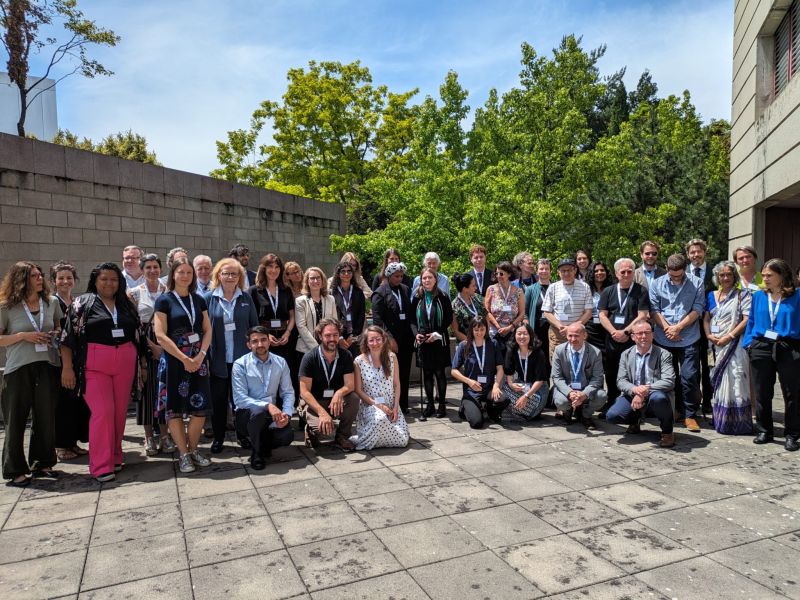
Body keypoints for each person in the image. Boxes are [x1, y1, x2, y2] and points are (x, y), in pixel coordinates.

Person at [61, 262, 141, 483]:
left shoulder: (126, 304)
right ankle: (100, 465)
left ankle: (115, 455)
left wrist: (143, 361)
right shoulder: (82, 303)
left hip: (125, 362)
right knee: (103, 412)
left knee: (119, 413)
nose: (109, 283)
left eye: (114, 279)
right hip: (94, 366)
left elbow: (138, 333)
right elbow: (67, 337)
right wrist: (67, 368)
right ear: (95, 281)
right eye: (104, 279)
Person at [0, 262, 62, 486]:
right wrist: (23, 336)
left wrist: (55, 333)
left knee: (45, 417)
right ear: (21, 279)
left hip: (47, 364)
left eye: (40, 275)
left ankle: (42, 463)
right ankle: (15, 470)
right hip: (19, 369)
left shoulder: (51, 302)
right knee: (15, 419)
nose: (39, 279)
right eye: (33, 276)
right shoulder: (6, 307)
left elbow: (58, 327)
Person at [153, 257, 213, 473]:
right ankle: (183, 454)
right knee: (175, 410)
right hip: (175, 362)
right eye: (181, 272)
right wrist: (184, 359)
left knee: (200, 409)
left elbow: (207, 330)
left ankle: (194, 449)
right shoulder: (164, 300)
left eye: (189, 272)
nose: (185, 276)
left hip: (199, 361)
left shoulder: (199, 299)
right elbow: (160, 335)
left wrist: (201, 355)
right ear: (173, 275)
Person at [743, 258, 800, 451]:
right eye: (764, 275)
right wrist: (748, 344)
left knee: (792, 393)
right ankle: (764, 430)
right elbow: (751, 321)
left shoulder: (797, 296)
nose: (765, 279)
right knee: (762, 392)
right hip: (761, 346)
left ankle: (792, 435)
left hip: (788, 347)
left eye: (769, 275)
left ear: (782, 276)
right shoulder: (759, 296)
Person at [205, 257, 258, 454]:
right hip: (217, 360)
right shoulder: (208, 298)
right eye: (225, 273)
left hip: (241, 360)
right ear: (218, 275)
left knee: (241, 402)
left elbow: (254, 327)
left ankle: (242, 435)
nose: (229, 277)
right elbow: (203, 330)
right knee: (218, 402)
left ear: (239, 277)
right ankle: (218, 438)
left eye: (233, 274)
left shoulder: (246, 298)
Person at [649, 254, 705, 433]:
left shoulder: (697, 283)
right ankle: (672, 411)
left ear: (685, 269)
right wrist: (668, 328)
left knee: (689, 377)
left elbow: (698, 308)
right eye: (672, 275)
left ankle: (690, 414)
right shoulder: (657, 283)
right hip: (663, 337)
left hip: (688, 337)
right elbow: (654, 309)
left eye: (680, 275)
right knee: (667, 378)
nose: (676, 278)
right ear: (666, 268)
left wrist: (678, 328)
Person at [231, 326, 295, 469]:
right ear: (249, 345)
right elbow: (240, 398)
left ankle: (262, 444)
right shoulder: (240, 364)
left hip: (271, 414)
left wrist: (287, 414)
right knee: (258, 413)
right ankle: (257, 453)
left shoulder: (280, 362)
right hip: (247, 415)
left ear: (269, 341)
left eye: (263, 340)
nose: (260, 344)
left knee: (287, 436)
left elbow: (288, 392)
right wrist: (267, 405)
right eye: (255, 341)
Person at [128, 254, 173, 456]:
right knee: (146, 392)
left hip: (167, 343)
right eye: (148, 267)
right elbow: (133, 326)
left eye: (156, 267)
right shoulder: (134, 293)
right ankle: (148, 437)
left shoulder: (168, 290)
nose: (152, 271)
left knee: (164, 390)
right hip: (144, 345)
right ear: (142, 270)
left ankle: (164, 434)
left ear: (160, 269)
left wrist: (164, 346)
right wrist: (151, 347)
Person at [606, 321, 676, 448]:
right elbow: (621, 381)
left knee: (659, 398)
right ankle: (635, 420)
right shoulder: (626, 354)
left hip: (655, 393)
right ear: (633, 337)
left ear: (652, 335)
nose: (644, 336)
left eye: (647, 333)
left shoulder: (664, 354)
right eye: (639, 333)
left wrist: (645, 390)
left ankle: (667, 432)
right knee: (612, 416)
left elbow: (669, 381)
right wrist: (635, 390)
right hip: (633, 394)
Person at [704, 261, 752, 435]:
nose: (725, 278)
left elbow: (746, 320)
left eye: (729, 275)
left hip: (734, 345)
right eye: (722, 275)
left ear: (734, 276)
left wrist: (729, 336)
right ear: (717, 277)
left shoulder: (743, 295)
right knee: (718, 381)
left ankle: (739, 423)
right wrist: (709, 335)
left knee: (736, 380)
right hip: (715, 345)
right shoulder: (711, 295)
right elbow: (706, 318)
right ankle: (721, 420)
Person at [598, 258, 650, 414]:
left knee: (633, 372)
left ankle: (635, 405)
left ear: (634, 272)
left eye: (629, 271)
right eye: (623, 272)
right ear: (616, 273)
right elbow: (602, 314)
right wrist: (614, 332)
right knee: (611, 371)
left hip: (632, 339)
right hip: (612, 339)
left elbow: (642, 315)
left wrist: (626, 332)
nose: (626, 274)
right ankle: (612, 401)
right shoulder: (608, 291)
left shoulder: (641, 291)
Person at [298, 318, 360, 450]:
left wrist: (339, 393)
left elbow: (350, 384)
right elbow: (304, 392)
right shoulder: (309, 357)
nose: (332, 339)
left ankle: (342, 436)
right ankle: (311, 431)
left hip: (335, 402)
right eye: (327, 335)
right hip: (315, 402)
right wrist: (322, 413)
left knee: (354, 398)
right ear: (320, 336)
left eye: (335, 335)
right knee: (325, 430)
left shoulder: (346, 355)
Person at [50, 262, 89, 461]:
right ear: (54, 281)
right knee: (62, 403)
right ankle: (61, 445)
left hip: (78, 360)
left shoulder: (77, 302)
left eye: (69, 278)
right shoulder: (51, 302)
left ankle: (72, 442)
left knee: (76, 402)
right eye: (61, 278)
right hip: (59, 361)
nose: (65, 281)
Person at [351, 326, 410, 449]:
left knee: (402, 441)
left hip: (390, 405)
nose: (375, 343)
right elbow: (358, 390)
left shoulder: (392, 357)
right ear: (366, 343)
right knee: (380, 419)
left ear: (383, 340)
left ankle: (378, 439)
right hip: (370, 405)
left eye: (378, 339)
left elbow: (397, 384)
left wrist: (395, 407)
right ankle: (369, 439)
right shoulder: (359, 361)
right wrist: (378, 405)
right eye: (371, 340)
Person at [371, 262, 415, 414]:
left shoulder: (405, 289)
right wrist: (388, 338)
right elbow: (378, 319)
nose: (399, 279)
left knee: (404, 371)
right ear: (389, 276)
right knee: (390, 373)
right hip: (389, 338)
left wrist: (415, 334)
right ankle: (390, 403)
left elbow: (410, 314)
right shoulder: (379, 293)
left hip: (406, 337)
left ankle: (403, 404)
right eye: (396, 276)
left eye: (401, 276)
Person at [411, 267, 453, 417]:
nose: (427, 280)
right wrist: (416, 334)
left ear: (436, 279)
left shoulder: (443, 296)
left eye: (430, 277)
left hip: (438, 339)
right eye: (424, 278)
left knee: (439, 372)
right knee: (427, 373)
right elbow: (412, 320)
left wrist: (437, 333)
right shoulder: (417, 297)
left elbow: (448, 318)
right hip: (423, 340)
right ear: (421, 280)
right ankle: (429, 405)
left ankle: (441, 405)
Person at [451, 316, 506, 428]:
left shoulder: (493, 344)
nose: (479, 333)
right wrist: (469, 381)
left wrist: (496, 385)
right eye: (476, 330)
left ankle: (490, 411)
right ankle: (465, 407)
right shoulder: (464, 345)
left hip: (489, 389)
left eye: (482, 329)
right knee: (476, 423)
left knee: (504, 399)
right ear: (471, 330)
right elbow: (454, 370)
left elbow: (500, 368)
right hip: (471, 391)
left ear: (486, 329)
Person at [551, 323, 607, 429]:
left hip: (586, 388)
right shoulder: (559, 350)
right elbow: (556, 377)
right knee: (561, 401)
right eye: (570, 335)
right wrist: (570, 392)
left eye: (576, 336)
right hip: (567, 388)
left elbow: (597, 378)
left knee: (601, 396)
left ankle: (585, 415)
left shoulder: (595, 352)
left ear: (584, 335)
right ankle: (567, 412)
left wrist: (584, 394)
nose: (573, 339)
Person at [542, 258, 593, 365]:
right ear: (558, 272)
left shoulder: (585, 287)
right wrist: (561, 326)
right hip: (558, 332)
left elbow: (588, 312)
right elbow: (547, 312)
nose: (566, 273)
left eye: (569, 270)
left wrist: (572, 328)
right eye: (563, 271)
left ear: (575, 270)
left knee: (578, 361)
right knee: (558, 363)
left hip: (578, 332)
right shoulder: (553, 287)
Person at [686, 239, 715, 418]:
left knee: (708, 365)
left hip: (710, 325)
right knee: (692, 366)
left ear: (704, 252)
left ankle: (708, 402)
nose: (696, 255)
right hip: (689, 325)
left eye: (699, 251)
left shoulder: (715, 272)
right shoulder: (682, 272)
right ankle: (694, 400)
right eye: (692, 252)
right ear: (688, 254)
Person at [502, 322, 548, 420]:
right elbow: (508, 371)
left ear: (531, 335)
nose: (522, 337)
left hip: (537, 389)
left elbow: (540, 380)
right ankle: (520, 411)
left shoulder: (538, 353)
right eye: (519, 333)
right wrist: (511, 384)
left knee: (523, 402)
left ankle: (524, 411)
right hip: (522, 385)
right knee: (499, 388)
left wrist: (526, 396)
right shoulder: (512, 350)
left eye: (525, 334)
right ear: (514, 335)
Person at [295, 266, 337, 365]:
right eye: (312, 278)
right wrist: (317, 348)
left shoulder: (330, 299)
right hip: (306, 349)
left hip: (328, 346)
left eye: (318, 278)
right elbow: (301, 326)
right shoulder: (300, 301)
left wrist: (327, 344)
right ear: (307, 281)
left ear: (322, 280)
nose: (315, 281)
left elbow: (334, 323)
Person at [484, 261, 525, 359]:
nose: (498, 276)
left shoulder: (519, 291)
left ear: (509, 274)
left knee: (510, 361)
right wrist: (498, 327)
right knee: (495, 360)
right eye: (496, 273)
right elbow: (486, 310)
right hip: (494, 332)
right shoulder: (491, 289)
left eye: (501, 273)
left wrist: (510, 327)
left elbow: (522, 313)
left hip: (512, 332)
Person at [331, 261, 366, 358]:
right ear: (338, 274)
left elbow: (361, 316)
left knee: (354, 363)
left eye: (349, 271)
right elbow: (332, 317)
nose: (346, 274)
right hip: (338, 337)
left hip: (354, 338)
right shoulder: (332, 293)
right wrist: (340, 337)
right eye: (343, 271)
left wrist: (353, 336)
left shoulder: (358, 292)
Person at [524, 258, 554, 369]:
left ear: (551, 271)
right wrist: (528, 329)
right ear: (537, 271)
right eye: (541, 269)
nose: (544, 271)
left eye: (547, 269)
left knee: (552, 357)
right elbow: (525, 312)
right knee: (537, 358)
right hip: (536, 329)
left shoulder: (556, 287)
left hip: (552, 328)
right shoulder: (530, 289)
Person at [451, 272, 487, 342]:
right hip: (467, 343)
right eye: (473, 286)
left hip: (484, 340)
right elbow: (455, 331)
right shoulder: (454, 306)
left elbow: (487, 315)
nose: (476, 288)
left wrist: (485, 337)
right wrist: (472, 343)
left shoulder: (478, 298)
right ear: (465, 289)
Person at [585, 260, 613, 350]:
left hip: (609, 326)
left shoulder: (613, 289)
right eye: (596, 271)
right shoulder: (586, 289)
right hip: (591, 328)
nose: (599, 273)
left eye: (602, 270)